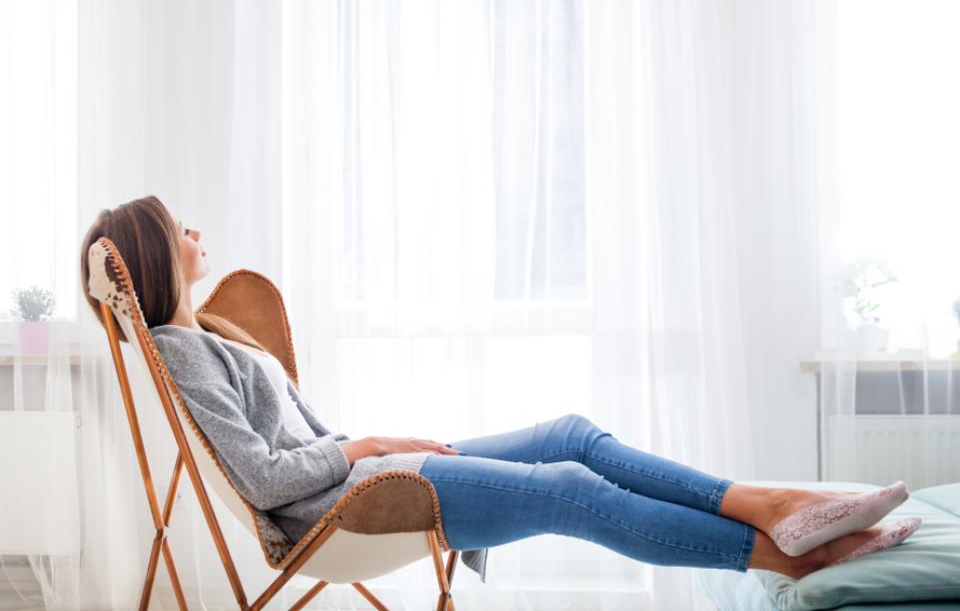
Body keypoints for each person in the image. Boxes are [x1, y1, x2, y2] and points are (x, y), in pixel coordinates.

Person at [79, 195, 920, 583]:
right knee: (567, 490)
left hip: (357, 475)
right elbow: (265, 482)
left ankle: (769, 503)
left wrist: (369, 445)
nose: (195, 229)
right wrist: (368, 446)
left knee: (570, 433)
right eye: (176, 226)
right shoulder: (176, 352)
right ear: (155, 256)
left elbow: (296, 445)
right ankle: (781, 550)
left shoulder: (212, 335)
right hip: (342, 506)